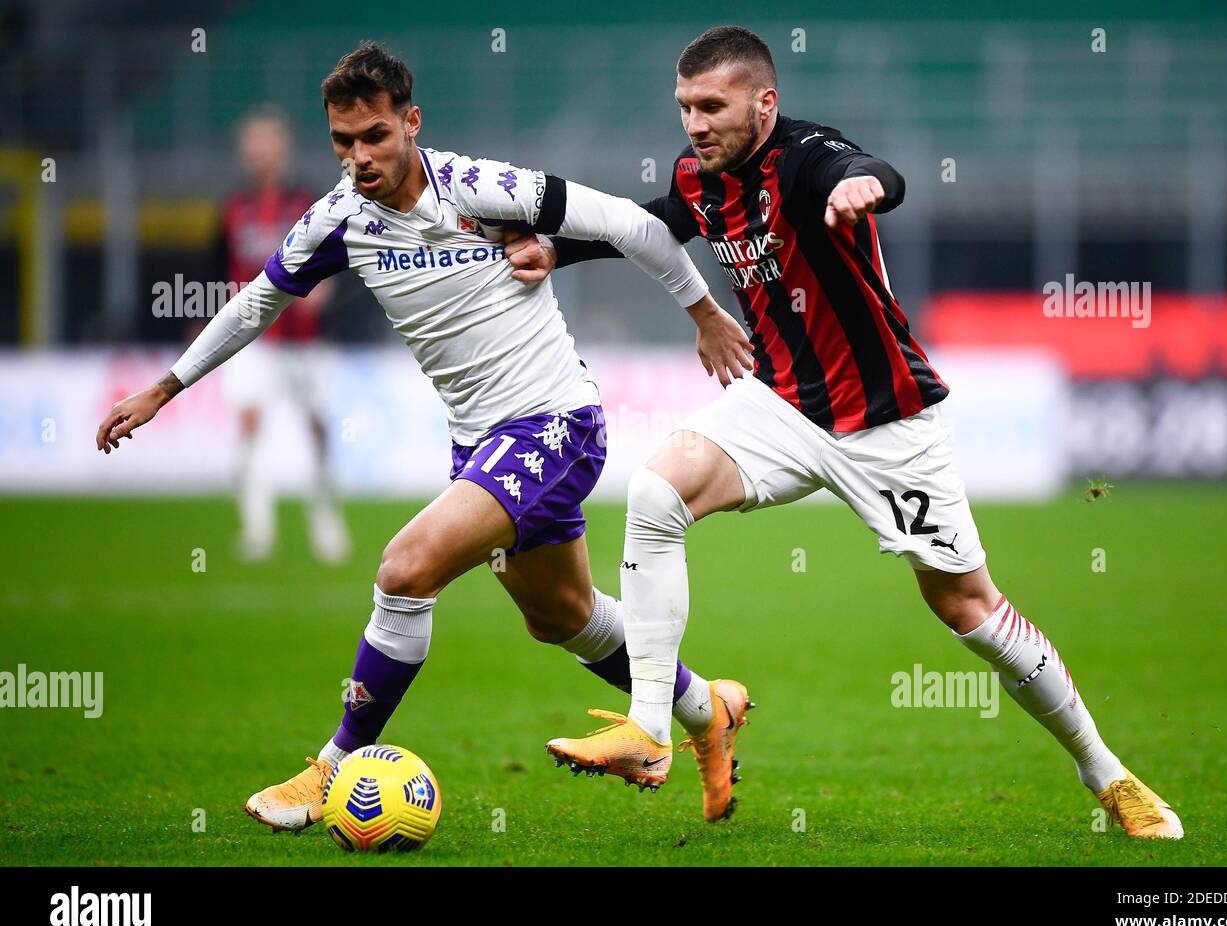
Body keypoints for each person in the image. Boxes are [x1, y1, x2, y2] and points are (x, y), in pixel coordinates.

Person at [513, 25, 1181, 839]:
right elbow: (655, 222)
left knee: (968, 609)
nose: (695, 123)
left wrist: (863, 188)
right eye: (686, 106)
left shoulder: (805, 158)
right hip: (781, 404)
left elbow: (872, 169)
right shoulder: (700, 176)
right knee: (656, 489)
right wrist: (552, 246)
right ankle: (651, 726)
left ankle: (1103, 771)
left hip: (887, 420)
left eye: (712, 106)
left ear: (765, 103)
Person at [95, 41, 756, 830]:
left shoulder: (481, 187)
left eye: (375, 135)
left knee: (405, 570)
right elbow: (255, 304)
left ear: (412, 122)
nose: (360, 157)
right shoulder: (338, 219)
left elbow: (625, 224)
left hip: (554, 425)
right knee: (563, 616)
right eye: (343, 142)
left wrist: (703, 311)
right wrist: (166, 386)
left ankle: (330, 770)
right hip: (479, 444)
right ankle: (705, 707)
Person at [218, 106, 348, 563]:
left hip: (306, 341)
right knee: (252, 425)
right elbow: (215, 268)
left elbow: (338, 256)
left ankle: (325, 521)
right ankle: (257, 529)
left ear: (283, 147)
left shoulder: (308, 204)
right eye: (253, 144)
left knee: (317, 430)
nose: (261, 152)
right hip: (253, 341)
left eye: (268, 142)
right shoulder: (233, 208)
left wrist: (324, 288)